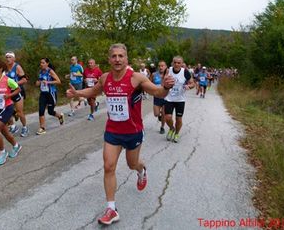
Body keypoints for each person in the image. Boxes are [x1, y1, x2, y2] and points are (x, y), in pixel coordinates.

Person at [66, 43, 174, 225]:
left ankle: (141, 170)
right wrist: (78, 93)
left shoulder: (137, 78)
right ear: (109, 59)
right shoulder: (105, 78)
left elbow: (157, 92)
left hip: (133, 132)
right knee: (109, 167)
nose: (117, 59)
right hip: (113, 131)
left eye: (120, 56)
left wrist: (165, 87)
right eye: (113, 56)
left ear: (126, 59)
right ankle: (111, 208)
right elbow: (93, 91)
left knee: (132, 164)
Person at [164, 56, 195, 143]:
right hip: (169, 98)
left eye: (179, 63)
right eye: (175, 62)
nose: (176, 64)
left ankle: (177, 133)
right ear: (172, 63)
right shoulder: (168, 70)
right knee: (167, 117)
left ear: (182, 64)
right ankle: (171, 128)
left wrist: (189, 86)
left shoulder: (185, 72)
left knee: (178, 119)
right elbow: (164, 81)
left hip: (180, 100)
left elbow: (193, 83)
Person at [36, 58, 65, 135]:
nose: (41, 64)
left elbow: (58, 81)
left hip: (51, 93)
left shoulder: (50, 71)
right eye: (40, 63)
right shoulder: (41, 72)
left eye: (43, 63)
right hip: (43, 93)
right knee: (41, 110)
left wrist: (48, 82)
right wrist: (38, 82)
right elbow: (38, 82)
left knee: (50, 111)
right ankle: (42, 128)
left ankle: (60, 116)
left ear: (47, 63)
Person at [5, 51, 29, 137]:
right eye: (6, 57)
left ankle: (25, 127)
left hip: (18, 91)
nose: (8, 59)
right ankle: (13, 126)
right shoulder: (5, 68)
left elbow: (25, 80)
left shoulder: (17, 67)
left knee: (19, 112)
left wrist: (15, 83)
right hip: (8, 93)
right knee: (6, 110)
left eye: (10, 57)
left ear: (14, 58)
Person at [150, 60, 168, 134]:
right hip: (157, 97)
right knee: (156, 114)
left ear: (165, 66)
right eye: (159, 66)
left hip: (166, 97)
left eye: (162, 66)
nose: (161, 67)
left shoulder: (169, 75)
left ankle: (162, 127)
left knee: (164, 113)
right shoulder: (154, 74)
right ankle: (159, 115)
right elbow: (149, 83)